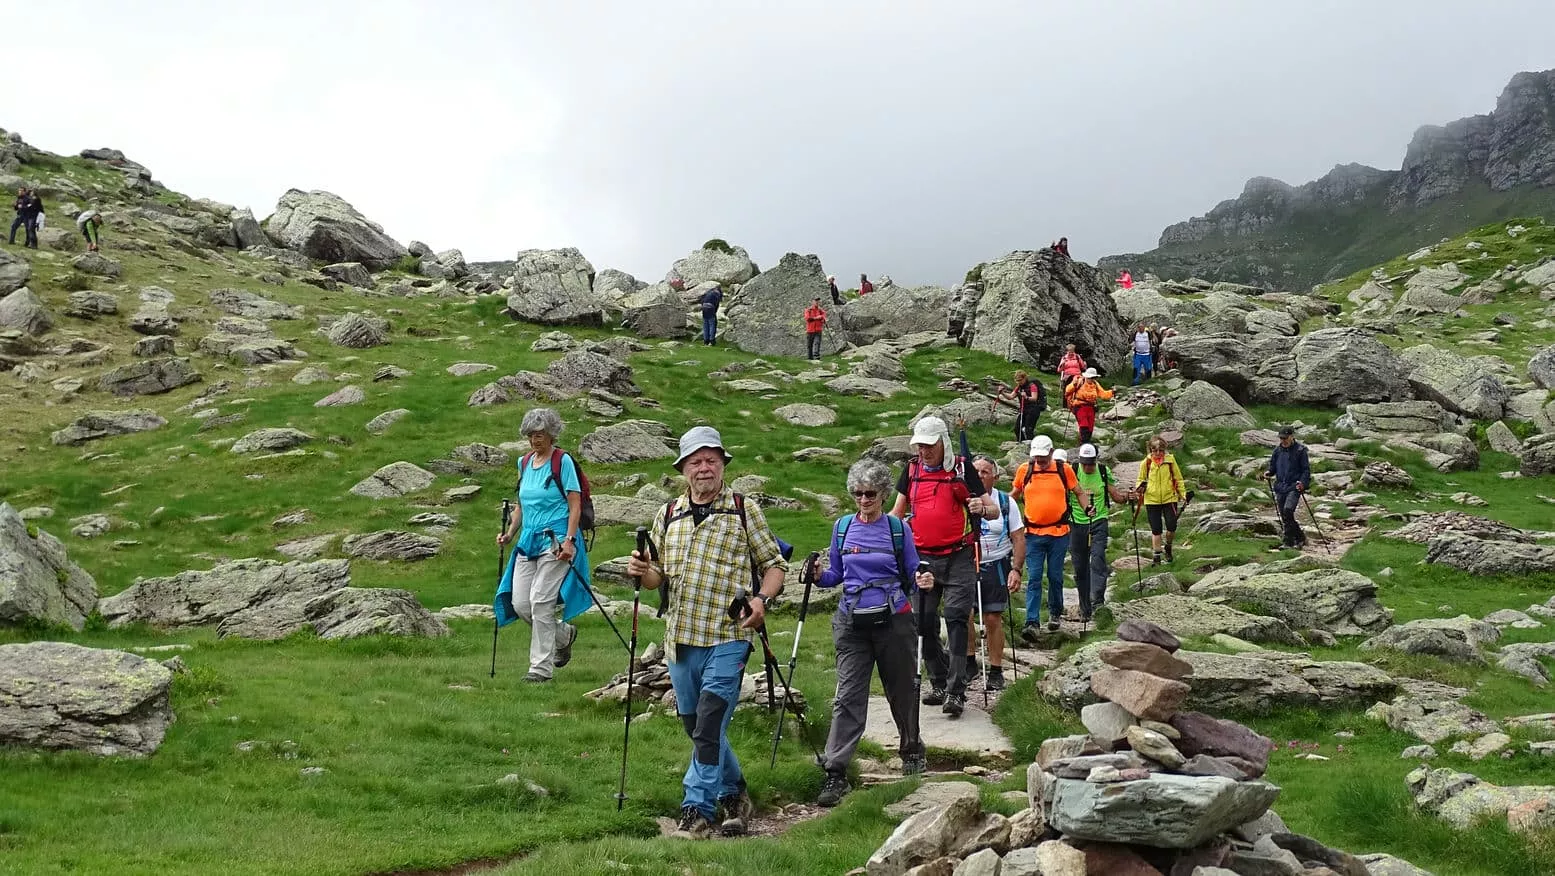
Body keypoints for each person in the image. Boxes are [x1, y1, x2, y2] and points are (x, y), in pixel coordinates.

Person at [626, 426, 788, 839]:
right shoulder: (667, 514)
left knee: (711, 720)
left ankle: (696, 810)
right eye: (696, 461)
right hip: (680, 637)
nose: (704, 468)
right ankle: (735, 793)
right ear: (683, 468)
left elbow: (774, 565)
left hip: (729, 634)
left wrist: (761, 601)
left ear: (722, 465)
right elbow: (656, 578)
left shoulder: (742, 508)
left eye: (712, 460)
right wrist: (644, 572)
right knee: (698, 727)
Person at [814, 459, 933, 807]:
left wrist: (923, 580)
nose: (863, 500)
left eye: (870, 494)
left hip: (894, 618)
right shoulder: (842, 528)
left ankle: (911, 749)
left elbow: (913, 571)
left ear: (883, 494)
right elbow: (835, 575)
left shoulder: (898, 530)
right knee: (849, 693)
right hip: (851, 620)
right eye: (857, 493)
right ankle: (835, 771)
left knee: (902, 688)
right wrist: (818, 575)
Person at [889, 415, 995, 718]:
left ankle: (955, 691)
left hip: (960, 555)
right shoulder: (911, 470)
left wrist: (980, 507)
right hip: (923, 556)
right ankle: (938, 680)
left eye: (929, 445)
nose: (923, 451)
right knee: (921, 620)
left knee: (956, 617)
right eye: (919, 445)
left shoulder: (963, 469)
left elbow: (993, 509)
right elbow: (898, 511)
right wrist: (879, 530)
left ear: (943, 442)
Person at [494, 408, 588, 683]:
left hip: (557, 540)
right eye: (531, 435)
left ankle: (540, 669)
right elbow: (522, 505)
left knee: (541, 601)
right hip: (528, 541)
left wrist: (570, 541)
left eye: (541, 434)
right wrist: (510, 533)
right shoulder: (523, 463)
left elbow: (575, 505)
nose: (536, 440)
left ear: (551, 435)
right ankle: (563, 635)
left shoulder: (562, 462)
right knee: (521, 603)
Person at [1013, 435, 1089, 637]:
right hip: (1032, 534)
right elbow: (1014, 495)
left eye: (1043, 456)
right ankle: (1032, 622)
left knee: (1055, 576)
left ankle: (1055, 613)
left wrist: (1087, 507)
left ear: (1051, 452)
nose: (1040, 460)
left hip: (1059, 533)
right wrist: (1000, 509)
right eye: (1037, 457)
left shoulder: (1064, 470)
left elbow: (1079, 492)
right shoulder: (1025, 470)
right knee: (1035, 577)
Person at [968, 455, 1024, 691]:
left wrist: (1016, 569)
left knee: (992, 617)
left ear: (995, 476)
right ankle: (969, 663)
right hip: (967, 565)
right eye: (976, 472)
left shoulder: (1005, 502)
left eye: (985, 472)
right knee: (963, 615)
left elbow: (1018, 537)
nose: (980, 476)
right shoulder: (964, 500)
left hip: (997, 564)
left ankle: (995, 669)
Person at [1068, 443, 1131, 617]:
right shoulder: (1072, 471)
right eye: (1084, 463)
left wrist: (1127, 497)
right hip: (1076, 523)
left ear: (1096, 460)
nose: (1087, 467)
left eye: (1090, 463)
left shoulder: (1103, 472)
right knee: (1080, 567)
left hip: (1099, 521)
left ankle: (1097, 601)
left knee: (1097, 559)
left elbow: (1116, 496)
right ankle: (1084, 607)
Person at [1136, 435, 1187, 565]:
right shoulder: (1146, 463)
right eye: (1155, 450)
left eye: (1161, 450)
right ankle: (1157, 556)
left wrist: (1183, 495)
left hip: (1169, 498)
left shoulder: (1170, 461)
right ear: (1150, 450)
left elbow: (1178, 478)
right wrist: (1139, 488)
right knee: (1156, 529)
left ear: (1165, 450)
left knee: (1171, 525)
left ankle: (1168, 546)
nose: (1158, 453)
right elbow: (1140, 480)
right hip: (1151, 500)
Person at [1263, 426, 1311, 551]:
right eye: (1281, 438)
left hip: (1294, 486)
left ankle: (1288, 542)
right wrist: (1268, 473)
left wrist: (1303, 483)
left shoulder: (1301, 450)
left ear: (1291, 436)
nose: (1283, 441)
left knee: (1288, 510)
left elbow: (1306, 470)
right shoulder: (1277, 451)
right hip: (1280, 486)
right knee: (1285, 515)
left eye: (1285, 438)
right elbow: (1273, 468)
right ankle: (1300, 537)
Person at [1065, 367, 1113, 446]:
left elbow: (1103, 394)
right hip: (1080, 406)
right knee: (1084, 425)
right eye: (1091, 377)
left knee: (1090, 427)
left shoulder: (1095, 384)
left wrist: (1112, 392)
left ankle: (1086, 442)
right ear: (1086, 376)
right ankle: (1083, 442)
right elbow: (1067, 390)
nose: (1092, 379)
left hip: (1091, 407)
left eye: (1094, 377)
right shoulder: (1079, 381)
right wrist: (1073, 384)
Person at [1001, 370, 1045, 443]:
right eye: (1017, 381)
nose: (1018, 382)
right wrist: (1002, 393)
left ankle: (1031, 446)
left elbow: (1034, 398)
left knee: (1028, 429)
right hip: (1023, 410)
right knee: (1017, 429)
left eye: (1020, 380)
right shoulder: (1019, 387)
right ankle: (1021, 444)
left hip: (1033, 410)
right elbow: (1011, 397)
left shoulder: (1032, 386)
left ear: (1024, 378)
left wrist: (1026, 397)